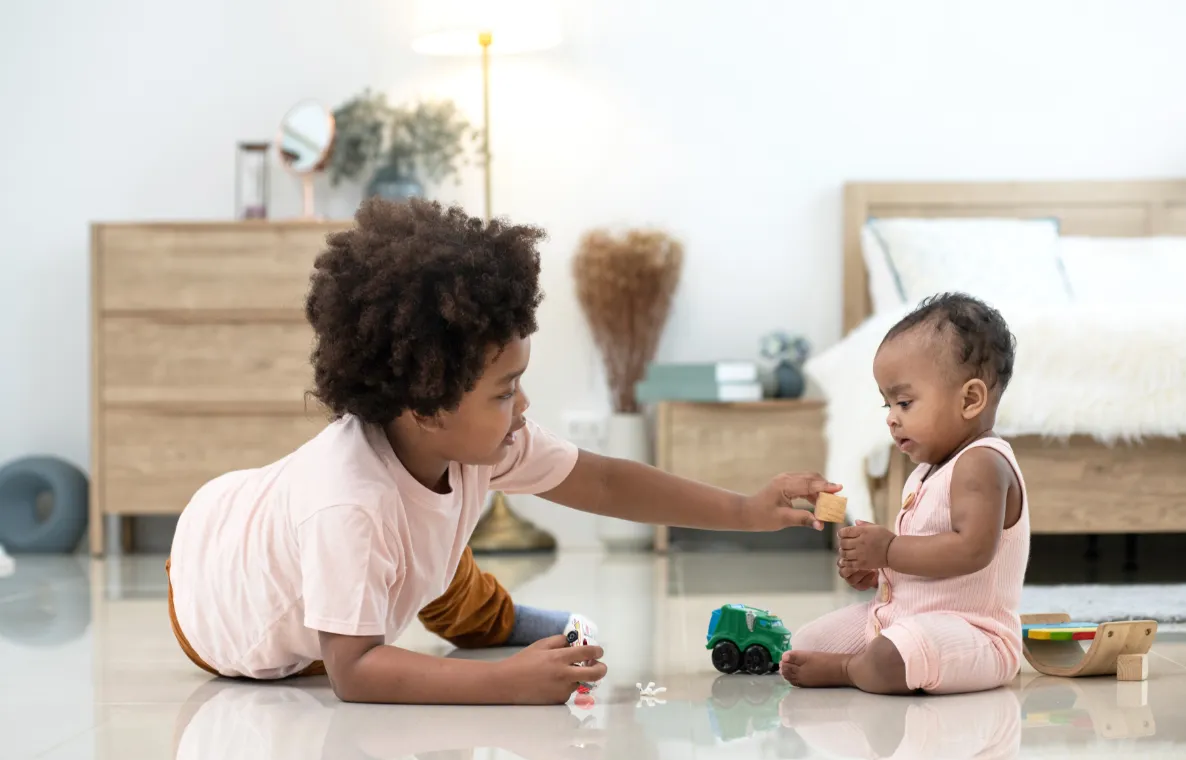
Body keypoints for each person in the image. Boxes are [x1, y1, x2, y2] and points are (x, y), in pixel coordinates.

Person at [167, 197, 840, 705]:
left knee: (436, 552)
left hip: (261, 508)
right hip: (213, 595)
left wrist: (747, 509)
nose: (522, 408)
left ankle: (492, 616)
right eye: (505, 391)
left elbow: (604, 483)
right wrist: (506, 683)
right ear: (428, 404)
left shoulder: (471, 441)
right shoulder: (349, 508)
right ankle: (495, 622)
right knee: (397, 565)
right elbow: (355, 671)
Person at [780, 292, 1029, 695]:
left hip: (973, 635)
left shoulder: (982, 463)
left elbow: (971, 552)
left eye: (905, 402)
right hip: (906, 619)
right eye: (887, 405)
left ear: (970, 399)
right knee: (804, 644)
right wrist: (879, 568)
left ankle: (850, 669)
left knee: (890, 657)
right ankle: (864, 663)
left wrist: (890, 549)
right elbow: (924, 559)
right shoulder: (926, 472)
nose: (893, 418)